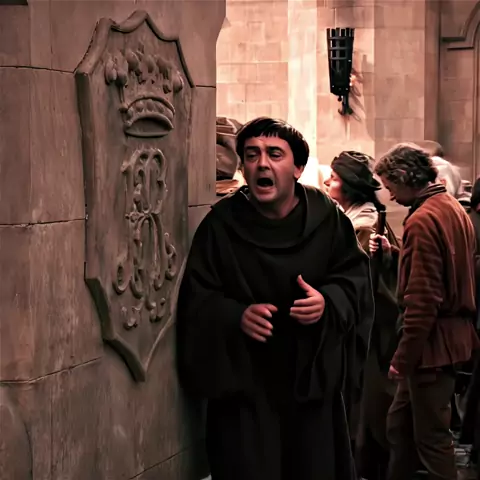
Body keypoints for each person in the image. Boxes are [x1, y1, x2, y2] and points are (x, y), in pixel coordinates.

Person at [176, 117, 374, 480]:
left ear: (298, 168)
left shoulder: (328, 221)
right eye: (252, 155)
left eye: (274, 154)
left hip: (310, 392)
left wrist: (327, 302)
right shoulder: (221, 226)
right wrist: (236, 316)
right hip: (246, 395)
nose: (262, 164)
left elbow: (356, 283)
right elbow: (197, 300)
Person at [371, 143, 480, 480]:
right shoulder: (449, 206)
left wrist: (402, 357)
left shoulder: (423, 219)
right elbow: (442, 271)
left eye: (390, 185)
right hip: (445, 340)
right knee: (400, 426)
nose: (390, 195)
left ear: (406, 177)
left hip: (431, 347)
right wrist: (396, 254)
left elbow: (423, 299)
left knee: (432, 438)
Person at [325, 151, 400, 480]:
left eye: (334, 178)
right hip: (367, 334)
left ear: (350, 186)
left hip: (369, 336)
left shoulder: (363, 226)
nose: (327, 182)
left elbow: (366, 288)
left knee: (367, 407)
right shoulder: (357, 219)